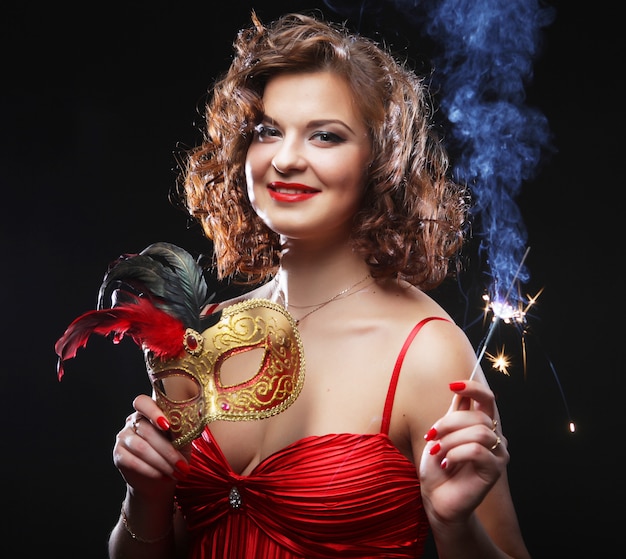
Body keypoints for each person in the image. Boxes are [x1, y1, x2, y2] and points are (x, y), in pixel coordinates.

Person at [106, 11, 531, 559]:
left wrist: (454, 525)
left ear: (380, 162)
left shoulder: (426, 352)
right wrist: (145, 496)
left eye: (325, 136)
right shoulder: (206, 333)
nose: (285, 159)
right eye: (268, 132)